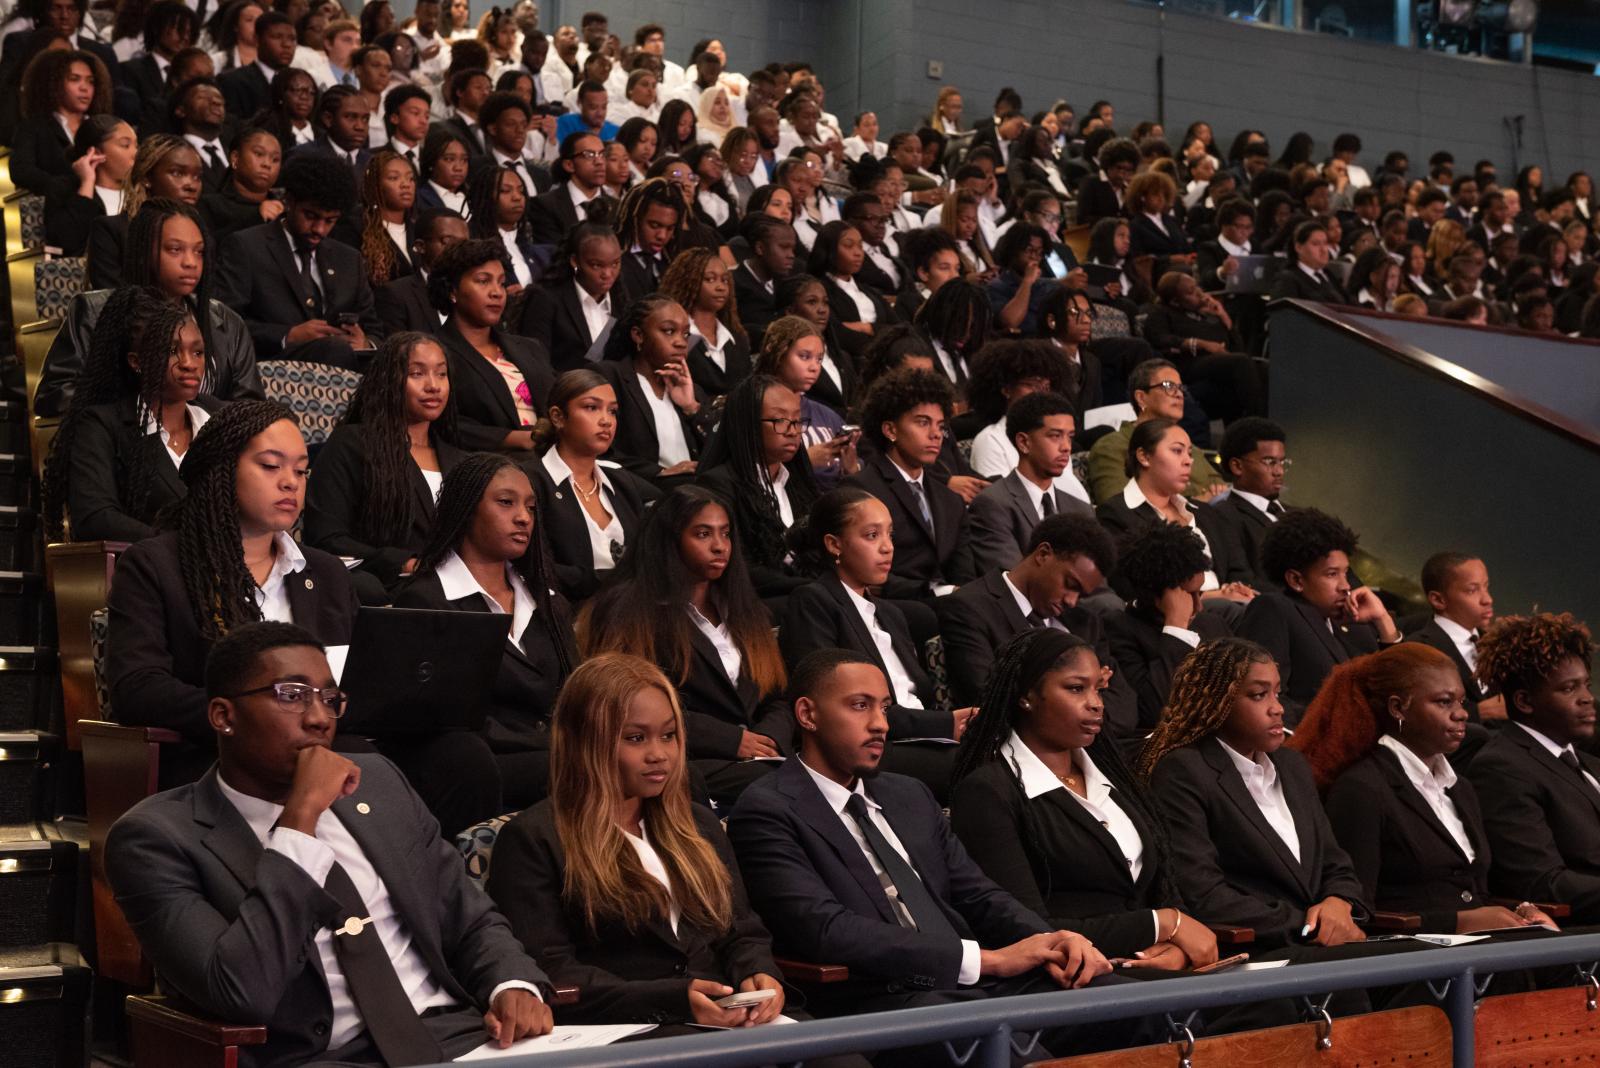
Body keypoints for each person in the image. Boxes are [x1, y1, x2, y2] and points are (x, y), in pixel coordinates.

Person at [104, 621, 555, 1066]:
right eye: (291, 695)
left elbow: (469, 917)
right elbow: (241, 991)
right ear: (224, 716)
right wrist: (299, 822)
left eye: (329, 698)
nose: (319, 718)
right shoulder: (154, 838)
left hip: (459, 1039)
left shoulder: (378, 782)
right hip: (323, 1057)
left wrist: (511, 983)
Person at [726, 649, 1123, 1065]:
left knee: (1132, 1004)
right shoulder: (768, 808)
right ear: (807, 714)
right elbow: (826, 929)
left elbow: (977, 893)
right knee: (1003, 1047)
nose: (880, 724)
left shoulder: (908, 793)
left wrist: (1048, 941)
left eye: (884, 708)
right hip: (880, 1001)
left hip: (966, 985)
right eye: (860, 706)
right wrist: (985, 961)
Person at [482, 653, 863, 1050]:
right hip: (631, 1035)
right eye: (635, 738)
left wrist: (758, 974)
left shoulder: (697, 824)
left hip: (732, 1023)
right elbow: (554, 974)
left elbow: (741, 932)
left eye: (668, 735)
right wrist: (675, 1000)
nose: (659, 754)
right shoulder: (534, 838)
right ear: (585, 742)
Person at [104, 401, 358, 782]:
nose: (290, 481)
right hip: (217, 764)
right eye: (271, 466)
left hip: (329, 754)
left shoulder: (326, 572)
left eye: (302, 471)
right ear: (222, 471)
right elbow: (138, 689)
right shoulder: (155, 565)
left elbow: (352, 679)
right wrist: (258, 714)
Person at [949, 628, 1219, 968]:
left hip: (1143, 971)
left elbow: (1161, 887)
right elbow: (1023, 929)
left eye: (1098, 689)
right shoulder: (988, 792)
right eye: (1076, 689)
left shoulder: (1117, 780)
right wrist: (1160, 925)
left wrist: (1176, 950)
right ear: (1026, 696)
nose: (1095, 703)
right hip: (1065, 982)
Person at [1299, 645, 1553, 937]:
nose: (1460, 714)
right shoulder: (1362, 788)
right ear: (1398, 708)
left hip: (1477, 952)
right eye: (1443, 703)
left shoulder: (1460, 787)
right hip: (1413, 959)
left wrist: (1523, 911)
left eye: (1460, 701)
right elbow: (1358, 908)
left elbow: (1478, 890)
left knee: (1559, 949)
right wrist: (1458, 922)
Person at [1139, 638, 1371, 950]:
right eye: (1259, 695)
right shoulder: (1184, 771)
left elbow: (1334, 862)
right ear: (1217, 702)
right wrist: (1307, 924)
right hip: (1256, 952)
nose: (1277, 708)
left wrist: (1339, 902)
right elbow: (1203, 894)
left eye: (1278, 692)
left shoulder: (1291, 765)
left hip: (1322, 946)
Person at [579, 485, 792, 805]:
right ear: (671, 540)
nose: (720, 546)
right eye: (703, 534)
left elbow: (776, 695)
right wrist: (733, 741)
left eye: (725, 534)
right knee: (782, 785)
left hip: (758, 760)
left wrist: (770, 739)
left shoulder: (747, 609)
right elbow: (626, 703)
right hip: (682, 761)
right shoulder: (628, 610)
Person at [394, 452, 576, 809]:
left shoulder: (550, 603)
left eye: (531, 507)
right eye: (506, 503)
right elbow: (436, 721)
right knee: (596, 772)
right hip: (484, 767)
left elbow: (573, 694)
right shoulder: (427, 599)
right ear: (465, 510)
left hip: (556, 754)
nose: (524, 517)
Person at [781, 487, 974, 773]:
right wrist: (946, 724)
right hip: (867, 746)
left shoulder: (892, 613)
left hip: (921, 735)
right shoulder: (814, 601)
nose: (887, 547)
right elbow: (840, 703)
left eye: (890, 535)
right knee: (979, 765)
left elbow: (917, 697)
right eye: (872, 535)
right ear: (835, 544)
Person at [36, 198, 263, 420]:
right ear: (145, 252)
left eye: (199, 252)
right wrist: (153, 409)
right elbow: (55, 395)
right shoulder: (95, 312)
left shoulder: (225, 320)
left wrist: (193, 417)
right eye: (175, 250)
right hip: (122, 447)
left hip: (209, 448)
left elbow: (251, 407)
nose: (191, 262)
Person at [42, 288, 217, 543]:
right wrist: (178, 546)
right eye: (171, 351)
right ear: (137, 362)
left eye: (198, 352)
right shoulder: (102, 425)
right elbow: (95, 517)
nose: (189, 363)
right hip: (150, 572)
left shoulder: (220, 417)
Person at [936, 514, 1137, 734]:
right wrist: (1084, 689)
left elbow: (1126, 711)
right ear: (1043, 554)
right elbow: (989, 701)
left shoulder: (1085, 623)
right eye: (1070, 584)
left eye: (1081, 594)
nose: (1072, 600)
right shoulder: (970, 608)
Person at [303, 331, 463, 600]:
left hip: (455, 587)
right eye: (417, 374)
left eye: (441, 374)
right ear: (389, 381)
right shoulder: (353, 444)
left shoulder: (458, 458)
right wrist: (403, 562)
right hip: (388, 585)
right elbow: (326, 537)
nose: (433, 385)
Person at [1467, 613, 1600, 923]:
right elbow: (1542, 883)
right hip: (1575, 941)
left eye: (1586, 686)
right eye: (1569, 689)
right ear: (1525, 701)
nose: (1587, 699)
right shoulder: (1501, 767)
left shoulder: (1589, 763)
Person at [1235, 508, 1400, 723]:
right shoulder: (1275, 609)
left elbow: (1399, 690)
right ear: (1296, 580)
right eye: (1332, 574)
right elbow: (1266, 698)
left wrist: (1383, 621)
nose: (1346, 586)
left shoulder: (1356, 625)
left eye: (1345, 572)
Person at [214, 151, 380, 364]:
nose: (319, 229)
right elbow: (222, 322)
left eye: (330, 221)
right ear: (289, 201)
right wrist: (287, 336)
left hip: (344, 373)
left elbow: (375, 330)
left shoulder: (349, 259)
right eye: (310, 216)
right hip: (273, 370)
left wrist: (364, 342)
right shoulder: (246, 247)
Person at [528, 368, 658, 602]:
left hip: (633, 612)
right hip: (567, 615)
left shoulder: (621, 480)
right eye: (591, 407)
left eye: (613, 411)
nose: (606, 421)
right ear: (558, 417)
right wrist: (609, 580)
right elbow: (534, 568)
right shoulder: (532, 481)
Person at [843, 368, 973, 602]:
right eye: (923, 423)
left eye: (941, 426)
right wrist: (935, 592)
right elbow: (861, 571)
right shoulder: (861, 491)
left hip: (950, 609)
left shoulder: (951, 500)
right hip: (891, 607)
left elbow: (963, 575)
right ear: (890, 430)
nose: (936, 434)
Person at [1095, 418, 1255, 600]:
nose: (1188, 461)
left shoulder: (1207, 512)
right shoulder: (1115, 515)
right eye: (1177, 451)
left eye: (1189, 453)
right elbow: (1134, 590)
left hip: (1231, 609)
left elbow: (1240, 570)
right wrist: (1215, 596)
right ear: (1144, 456)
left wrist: (1238, 589)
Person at [695, 374, 817, 602]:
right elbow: (738, 567)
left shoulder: (798, 484)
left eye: (797, 421)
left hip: (805, 596)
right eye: (780, 420)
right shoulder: (719, 485)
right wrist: (811, 588)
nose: (792, 431)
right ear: (748, 425)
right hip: (755, 603)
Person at [1105, 522, 1236, 731]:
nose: (1199, 606)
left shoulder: (1212, 623)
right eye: (1189, 595)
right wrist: (1176, 628)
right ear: (1158, 595)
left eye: (1200, 593)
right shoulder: (1120, 630)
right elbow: (1156, 710)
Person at [428, 237, 553, 453]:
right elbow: (442, 424)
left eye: (501, 282)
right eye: (483, 281)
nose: (497, 292)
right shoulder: (434, 352)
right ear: (452, 291)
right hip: (488, 466)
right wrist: (514, 439)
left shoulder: (530, 347)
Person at [968, 392, 1093, 575]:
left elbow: (1097, 585)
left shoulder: (1081, 510)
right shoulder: (992, 505)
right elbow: (1014, 582)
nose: (1066, 446)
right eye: (1055, 436)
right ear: (1024, 442)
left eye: (1070, 436)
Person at [594, 295, 712, 487]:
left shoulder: (692, 390)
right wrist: (660, 473)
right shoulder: (609, 377)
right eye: (668, 331)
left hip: (695, 492)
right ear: (638, 335)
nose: (680, 342)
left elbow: (718, 451)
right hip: (640, 493)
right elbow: (599, 451)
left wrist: (692, 408)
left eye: (685, 334)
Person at [1086, 359, 1224, 505]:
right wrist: (1194, 505)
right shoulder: (1111, 447)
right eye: (1169, 386)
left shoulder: (1190, 448)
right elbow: (1117, 506)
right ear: (1141, 397)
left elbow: (1219, 486)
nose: (1179, 394)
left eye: (1180, 388)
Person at [1139, 271, 1265, 422]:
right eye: (1191, 292)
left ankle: (1254, 428)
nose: (1199, 294)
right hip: (1187, 363)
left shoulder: (1205, 315)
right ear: (1175, 301)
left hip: (1218, 365)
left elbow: (1237, 349)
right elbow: (1160, 338)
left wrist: (1223, 316)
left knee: (1262, 367)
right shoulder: (1161, 313)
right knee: (1242, 362)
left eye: (1197, 287)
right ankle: (1257, 423)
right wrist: (1201, 344)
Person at [86, 133, 205, 290]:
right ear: (146, 178)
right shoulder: (111, 231)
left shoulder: (202, 235)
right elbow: (109, 300)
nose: (191, 185)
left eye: (197, 177)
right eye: (177, 173)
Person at [751, 315, 859, 487]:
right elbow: (746, 473)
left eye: (819, 359)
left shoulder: (827, 414)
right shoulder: (752, 406)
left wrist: (851, 468)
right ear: (777, 353)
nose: (814, 367)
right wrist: (805, 462)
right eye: (804, 356)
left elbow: (854, 475)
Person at [1405, 552, 1500, 722]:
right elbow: (1421, 715)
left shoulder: (1498, 643)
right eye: (1472, 590)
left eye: (1486, 587)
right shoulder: (1418, 650)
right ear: (1438, 600)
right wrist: (1480, 712)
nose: (1488, 599)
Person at [12, 47, 113, 195]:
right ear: (54, 84)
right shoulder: (34, 128)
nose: (85, 88)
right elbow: (21, 171)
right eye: (74, 79)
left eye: (90, 81)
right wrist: (65, 186)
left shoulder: (103, 128)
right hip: (58, 206)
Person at [659, 244, 752, 397]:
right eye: (710, 279)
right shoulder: (674, 338)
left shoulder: (738, 338)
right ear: (688, 282)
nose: (720, 287)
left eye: (725, 280)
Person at [43, 113, 136, 256]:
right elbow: (67, 244)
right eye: (126, 145)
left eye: (136, 145)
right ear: (97, 152)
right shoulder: (65, 189)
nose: (136, 153)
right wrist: (87, 183)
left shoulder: (142, 190)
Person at [1212, 417, 1288, 589]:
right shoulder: (1224, 516)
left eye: (1282, 462)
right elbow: (1243, 581)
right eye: (1269, 462)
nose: (1279, 471)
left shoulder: (1298, 514)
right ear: (1237, 466)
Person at [374, 206, 467, 334]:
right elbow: (398, 350)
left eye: (465, 244)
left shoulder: (477, 292)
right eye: (448, 242)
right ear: (421, 246)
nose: (459, 250)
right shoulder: (396, 295)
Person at [198, 125, 286, 244]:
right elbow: (209, 248)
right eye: (259, 154)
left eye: (275, 159)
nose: (267, 164)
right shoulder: (210, 205)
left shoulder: (285, 209)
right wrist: (256, 218)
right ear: (235, 158)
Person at [525, 129, 613, 244]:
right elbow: (551, 254)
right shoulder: (545, 205)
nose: (599, 161)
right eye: (589, 155)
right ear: (569, 165)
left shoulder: (618, 208)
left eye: (602, 154)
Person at [464, 162, 541, 289]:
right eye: (505, 191)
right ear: (485, 196)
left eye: (521, 191)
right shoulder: (471, 242)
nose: (517, 197)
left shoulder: (526, 241)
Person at [355, 147, 417, 287]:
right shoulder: (357, 229)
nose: (406, 184)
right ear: (375, 185)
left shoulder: (419, 230)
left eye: (410, 178)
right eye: (394, 178)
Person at [1267, 219, 1347, 304]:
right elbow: (1283, 314)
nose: (1323, 250)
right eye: (1316, 244)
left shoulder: (1328, 274)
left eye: (1325, 243)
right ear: (1299, 247)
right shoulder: (1287, 279)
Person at [416, 126, 470, 214]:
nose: (458, 168)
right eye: (449, 159)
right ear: (432, 162)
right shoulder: (418, 199)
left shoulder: (474, 199)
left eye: (464, 160)